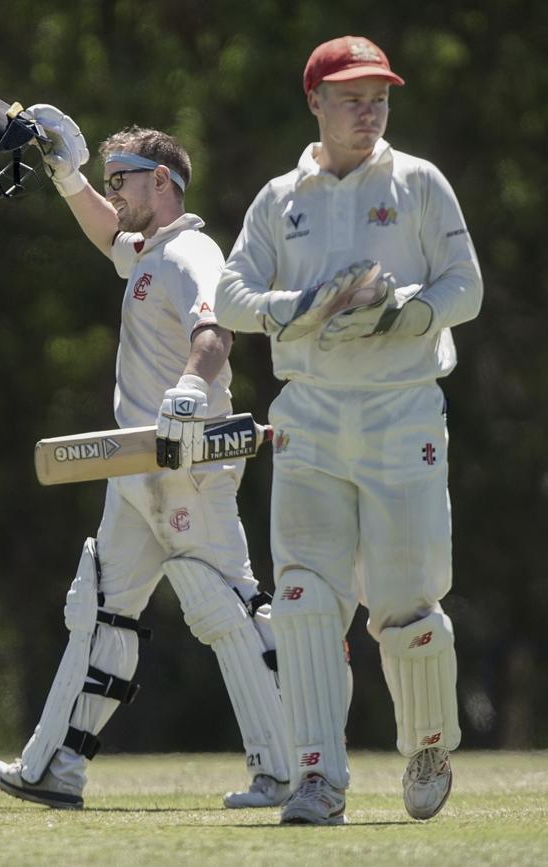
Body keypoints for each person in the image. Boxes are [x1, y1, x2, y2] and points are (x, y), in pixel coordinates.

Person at [0, 104, 290, 808]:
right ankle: (54, 766)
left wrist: (185, 393)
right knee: (101, 610)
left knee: (223, 606)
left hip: (186, 461)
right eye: (108, 179)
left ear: (165, 182)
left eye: (123, 179)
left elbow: (215, 334)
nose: (113, 192)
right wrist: (66, 174)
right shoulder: (146, 253)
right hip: (135, 468)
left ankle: (285, 769)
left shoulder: (193, 253)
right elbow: (110, 233)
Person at [214, 35, 483, 825]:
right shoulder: (279, 199)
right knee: (300, 598)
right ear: (315, 103)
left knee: (407, 605)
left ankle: (428, 742)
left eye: (380, 97)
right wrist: (294, 309)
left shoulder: (418, 183)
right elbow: (231, 296)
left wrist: (404, 310)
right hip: (311, 417)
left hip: (403, 413)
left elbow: (465, 283)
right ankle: (316, 778)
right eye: (352, 97)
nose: (370, 111)